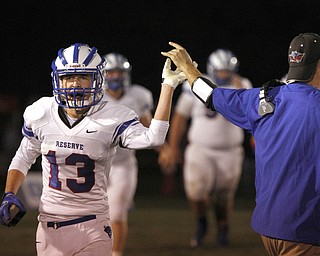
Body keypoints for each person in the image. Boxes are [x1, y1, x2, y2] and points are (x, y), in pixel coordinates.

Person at [0, 43, 185, 256]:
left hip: (93, 225)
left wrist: (168, 86)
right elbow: (23, 156)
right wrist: (9, 192)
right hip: (48, 225)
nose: (75, 84)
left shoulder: (113, 116)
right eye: (68, 77)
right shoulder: (40, 113)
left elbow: (154, 137)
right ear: (57, 79)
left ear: (97, 79)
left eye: (83, 77)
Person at [161, 33, 320, 255]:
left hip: (269, 227)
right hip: (304, 229)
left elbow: (210, 95)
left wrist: (187, 67)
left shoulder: (263, 98)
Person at [159, 49, 252, 248]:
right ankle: (202, 223)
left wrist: (241, 91)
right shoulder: (198, 84)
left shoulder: (241, 85)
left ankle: (223, 227)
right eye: (221, 70)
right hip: (200, 149)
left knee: (224, 195)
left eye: (228, 71)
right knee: (197, 192)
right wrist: (173, 147)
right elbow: (180, 117)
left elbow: (249, 114)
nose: (224, 75)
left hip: (230, 150)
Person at [102, 52, 153, 256]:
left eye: (119, 72)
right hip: (96, 163)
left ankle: (115, 253)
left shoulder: (139, 96)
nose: (115, 76)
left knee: (116, 211)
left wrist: (164, 149)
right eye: (111, 72)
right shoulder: (93, 97)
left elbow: (148, 126)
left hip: (123, 163)